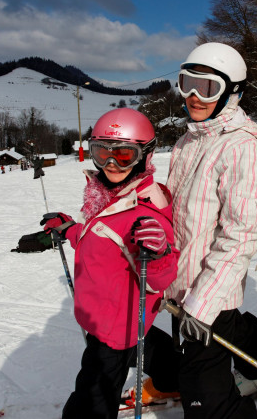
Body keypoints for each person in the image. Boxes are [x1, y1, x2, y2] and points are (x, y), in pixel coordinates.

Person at [41, 107, 181, 419]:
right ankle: (175, 377)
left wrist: (157, 253)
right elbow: (99, 241)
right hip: (111, 313)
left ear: (145, 156)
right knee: (146, 343)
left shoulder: (144, 212)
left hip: (112, 328)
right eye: (102, 153)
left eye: (123, 155)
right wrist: (69, 228)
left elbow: (160, 279)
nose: (111, 164)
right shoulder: (110, 197)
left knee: (93, 393)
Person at [164, 42, 257, 418]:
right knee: (231, 329)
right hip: (182, 286)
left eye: (207, 87)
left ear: (232, 92)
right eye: (187, 83)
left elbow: (242, 233)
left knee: (206, 402)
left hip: (206, 297)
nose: (194, 96)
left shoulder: (238, 146)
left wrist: (202, 303)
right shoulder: (188, 140)